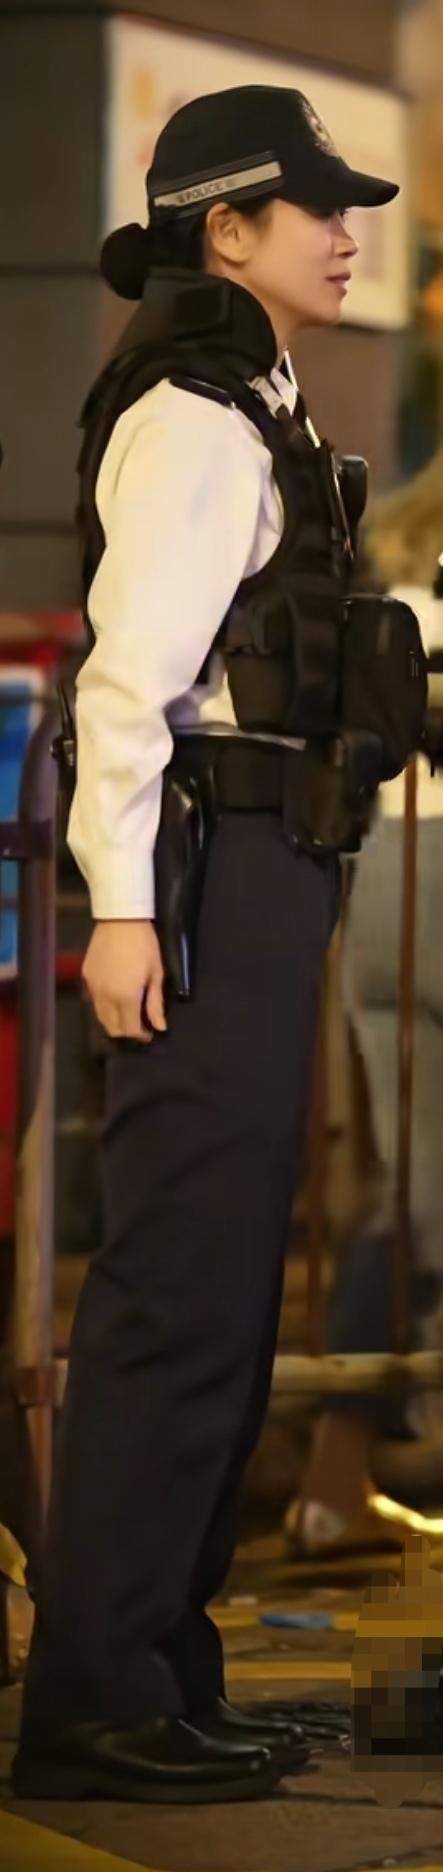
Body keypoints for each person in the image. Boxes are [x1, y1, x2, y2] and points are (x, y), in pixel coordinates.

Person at [13, 85, 402, 1804]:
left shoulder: (250, 397)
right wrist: (120, 909)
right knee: (179, 1290)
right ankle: (95, 1695)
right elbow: (125, 690)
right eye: (314, 204)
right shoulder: (191, 415)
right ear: (222, 230)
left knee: (227, 1291)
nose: (347, 230)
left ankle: (160, 1672)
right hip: (200, 876)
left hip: (255, 865)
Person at [284, 452, 443, 1560]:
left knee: (416, 1193)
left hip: (381, 878)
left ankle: (332, 1487)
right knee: (422, 1199)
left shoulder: (389, 581)